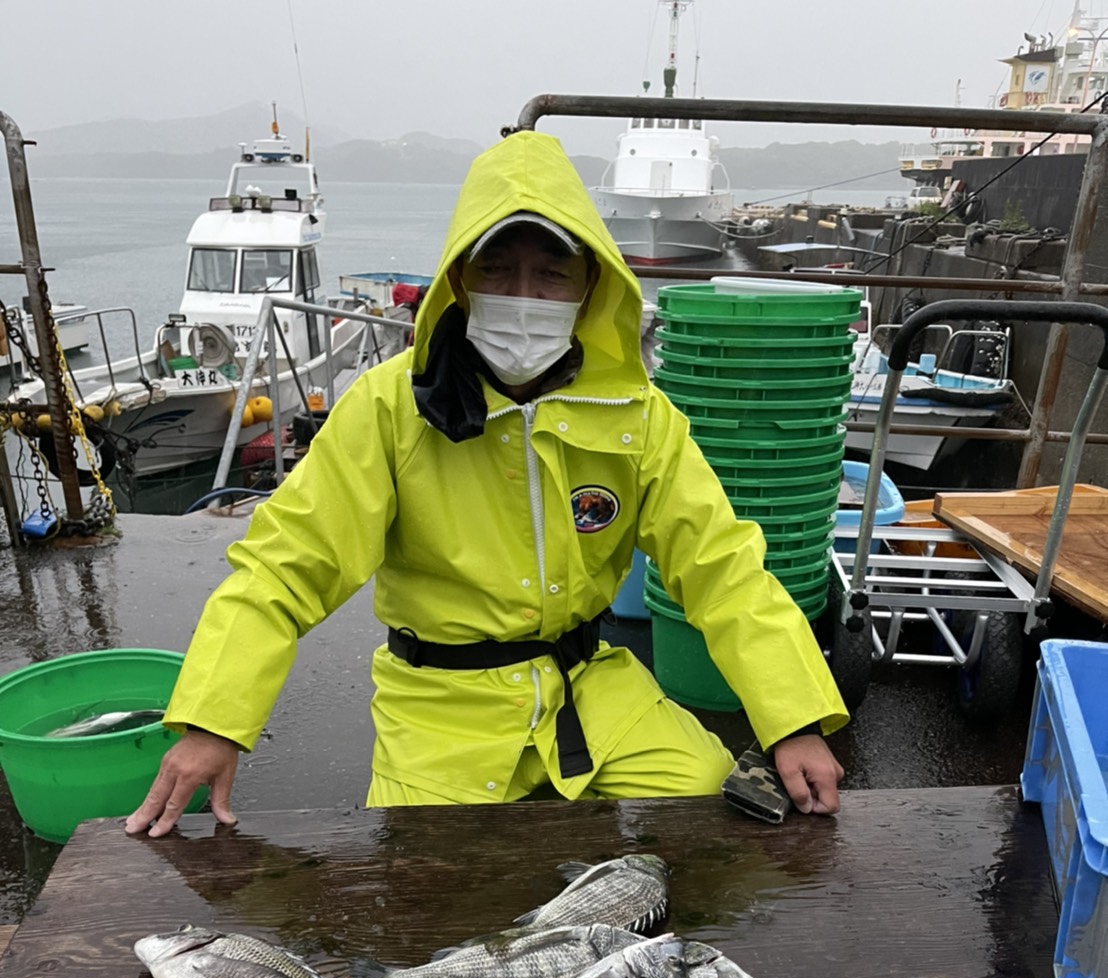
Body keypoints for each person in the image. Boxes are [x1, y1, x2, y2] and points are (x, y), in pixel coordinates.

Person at [126, 130, 847, 839]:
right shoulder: (388, 407)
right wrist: (214, 721)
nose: (523, 295)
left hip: (590, 685)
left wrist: (793, 721)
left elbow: (723, 570)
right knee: (428, 877)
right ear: (459, 282)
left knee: (704, 811)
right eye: (497, 269)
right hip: (441, 706)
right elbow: (286, 567)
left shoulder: (640, 415)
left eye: (551, 274)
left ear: (592, 284)